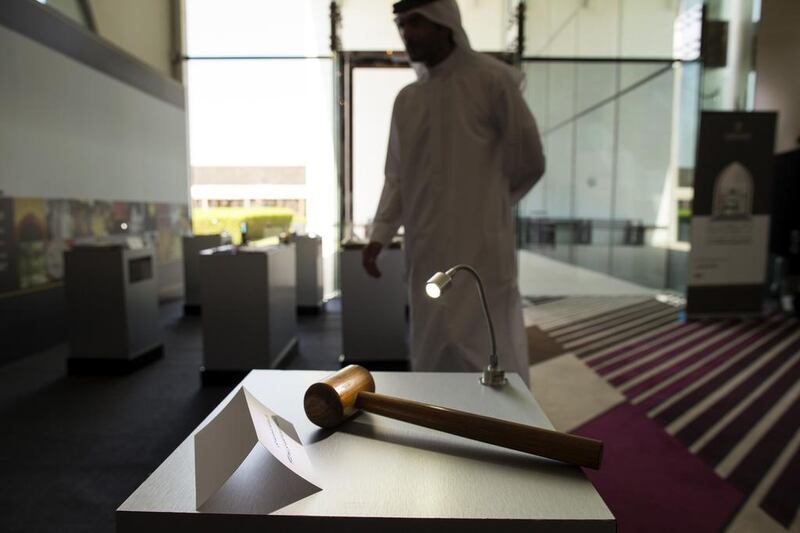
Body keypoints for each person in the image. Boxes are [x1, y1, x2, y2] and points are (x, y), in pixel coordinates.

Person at [362, 0, 545, 385]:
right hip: (426, 248)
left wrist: (489, 205)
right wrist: (379, 236)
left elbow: (529, 160)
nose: (407, 33)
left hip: (482, 248)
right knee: (432, 345)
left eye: (416, 23)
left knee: (491, 345)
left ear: (444, 24)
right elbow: (396, 176)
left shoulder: (493, 82)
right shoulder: (407, 101)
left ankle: (508, 433)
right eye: (402, 24)